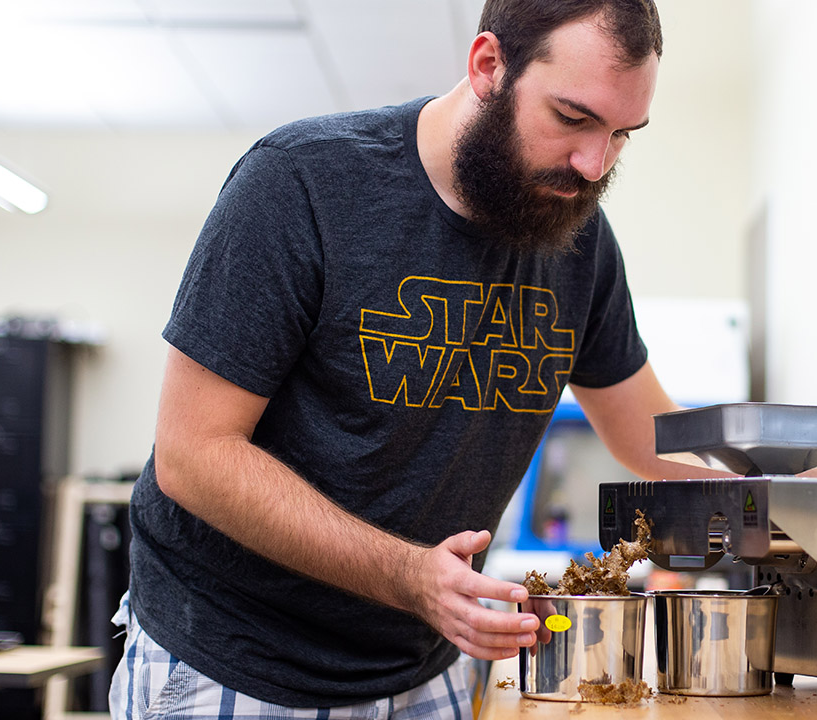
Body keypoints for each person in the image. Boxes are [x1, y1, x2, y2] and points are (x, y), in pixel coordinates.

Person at [110, 1, 695, 718]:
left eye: (620, 135)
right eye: (572, 119)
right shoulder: (301, 184)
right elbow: (193, 454)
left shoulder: (579, 242)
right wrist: (410, 575)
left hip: (426, 667)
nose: (593, 164)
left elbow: (655, 440)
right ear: (488, 66)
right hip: (235, 663)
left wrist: (815, 488)